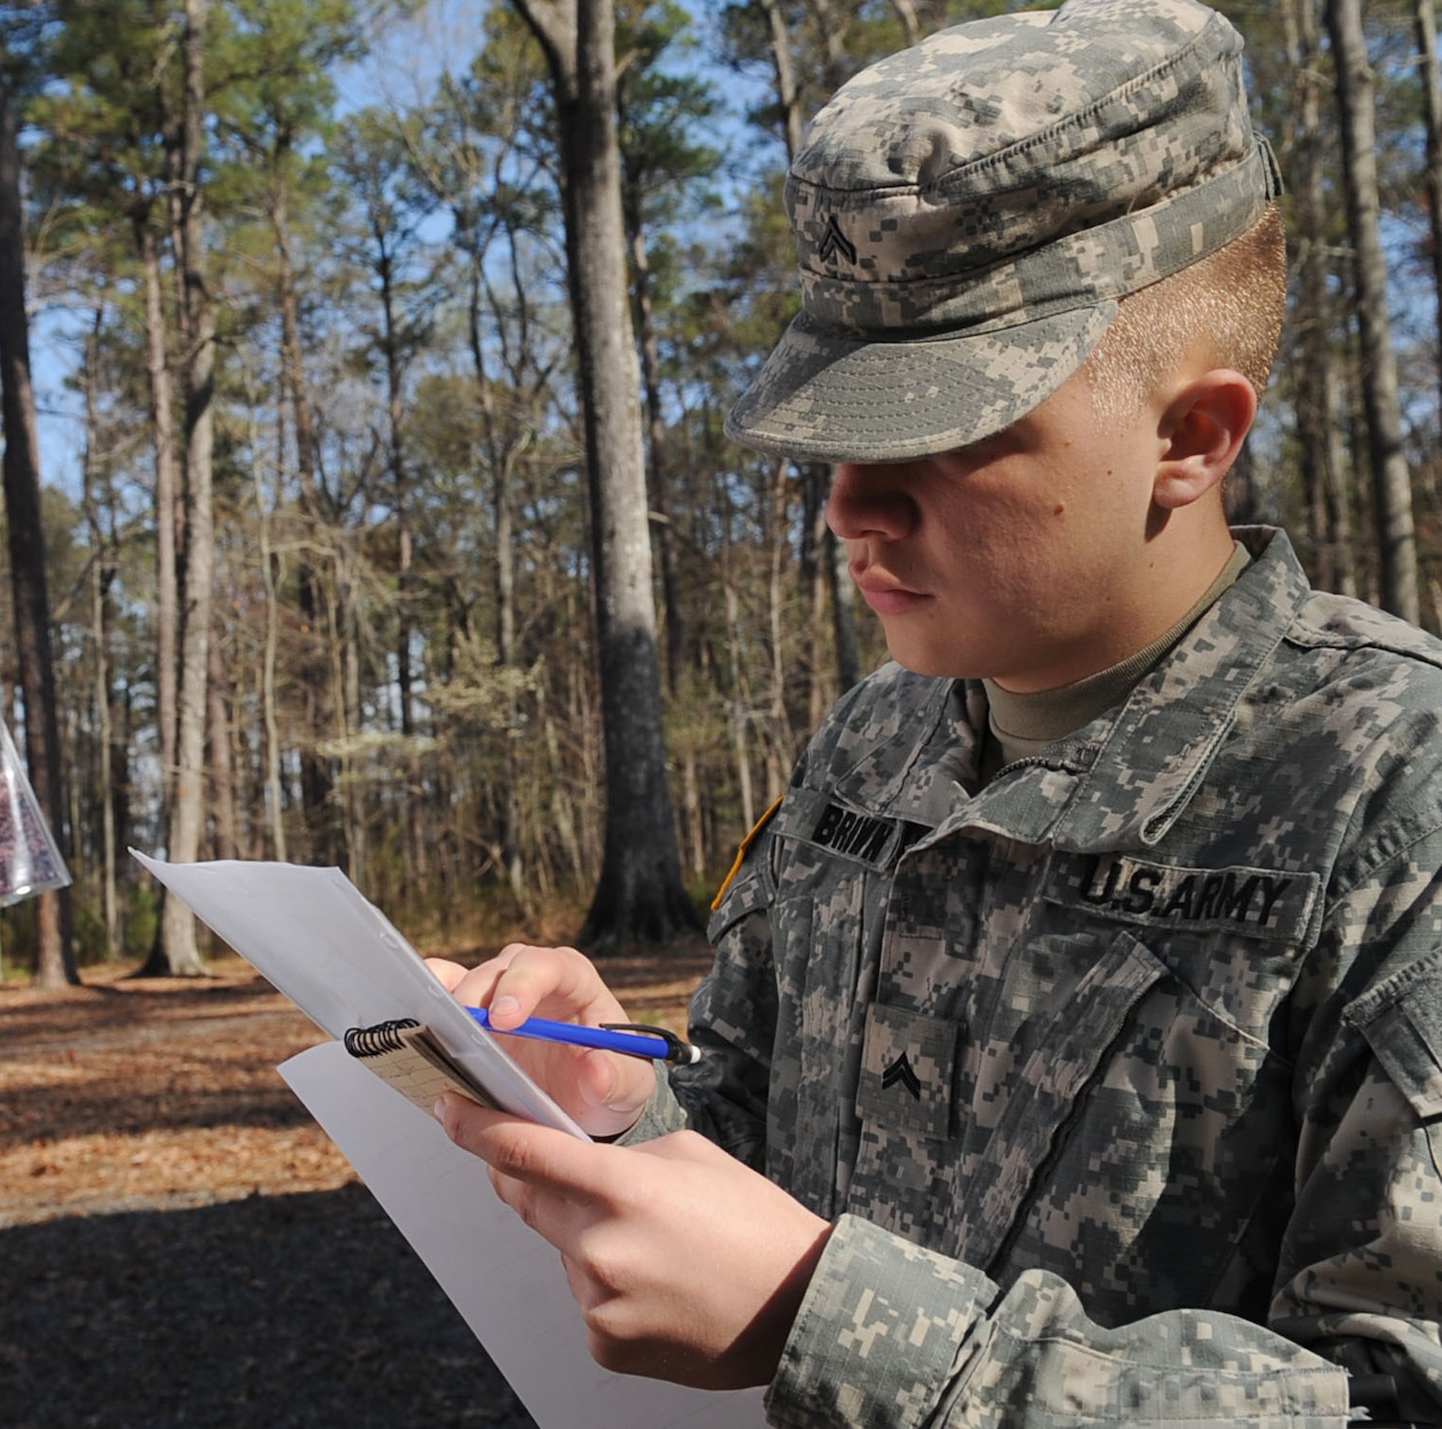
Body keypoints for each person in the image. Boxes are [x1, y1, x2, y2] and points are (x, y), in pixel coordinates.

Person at [425, 2, 1442, 1425]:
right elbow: (754, 1163)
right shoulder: (874, 745)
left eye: (944, 432)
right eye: (843, 428)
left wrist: (824, 1320)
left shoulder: (1396, 799)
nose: (848, 504)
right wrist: (615, 1109)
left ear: (1191, 437)